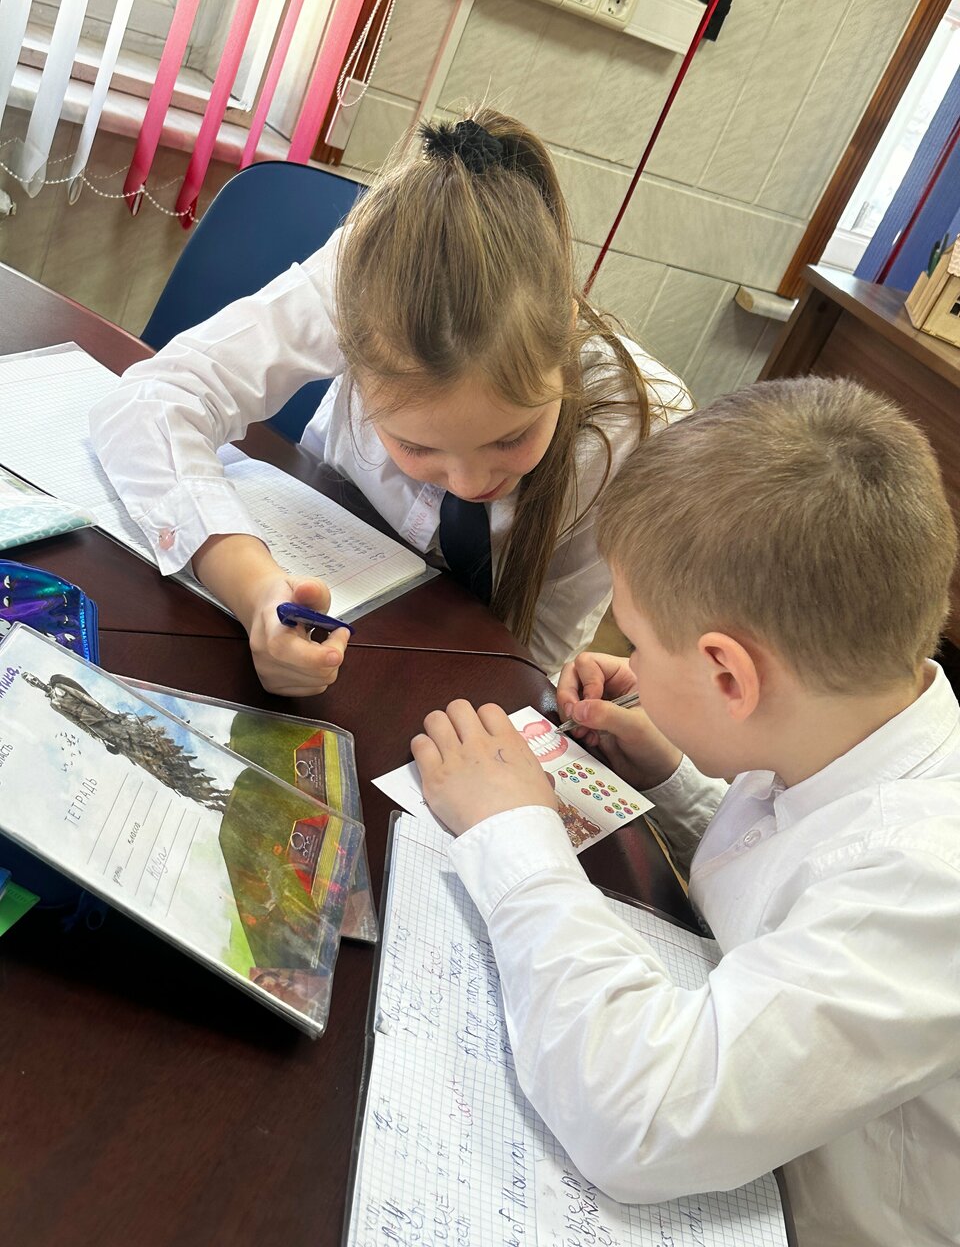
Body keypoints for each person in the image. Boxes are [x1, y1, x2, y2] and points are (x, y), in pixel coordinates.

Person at [411, 376, 960, 1247]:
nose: (626, 658)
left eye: (635, 638)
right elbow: (794, 870)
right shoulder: (854, 724)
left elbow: (637, 1121)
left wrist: (511, 831)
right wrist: (675, 774)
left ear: (729, 676)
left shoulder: (925, 884)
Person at [90, 109, 686, 696]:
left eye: (510, 438)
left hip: (443, 670)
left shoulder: (640, 421)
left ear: (569, 327)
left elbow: (536, 658)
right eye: (416, 446)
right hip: (325, 564)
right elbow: (152, 399)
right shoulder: (365, 279)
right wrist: (251, 587)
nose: (469, 482)